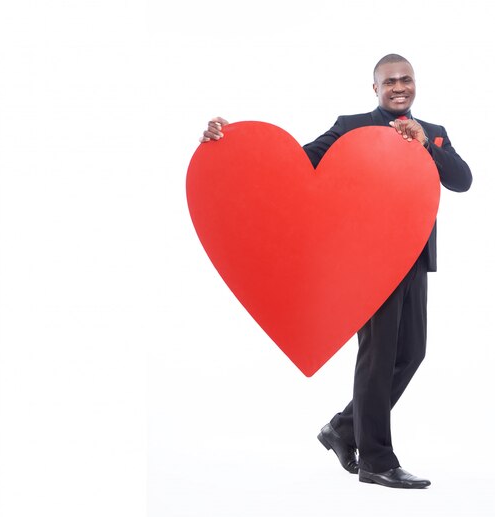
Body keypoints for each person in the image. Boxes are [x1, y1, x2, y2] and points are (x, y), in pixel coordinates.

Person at [200, 54, 472, 489]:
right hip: (366, 263)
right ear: (375, 88)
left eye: (406, 80)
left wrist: (423, 143)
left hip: (414, 259)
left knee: (411, 353)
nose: (399, 87)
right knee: (378, 358)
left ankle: (343, 429)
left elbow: (461, 181)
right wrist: (230, 142)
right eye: (389, 81)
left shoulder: (433, 133)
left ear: (415, 83)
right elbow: (293, 165)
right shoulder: (351, 125)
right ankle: (377, 461)